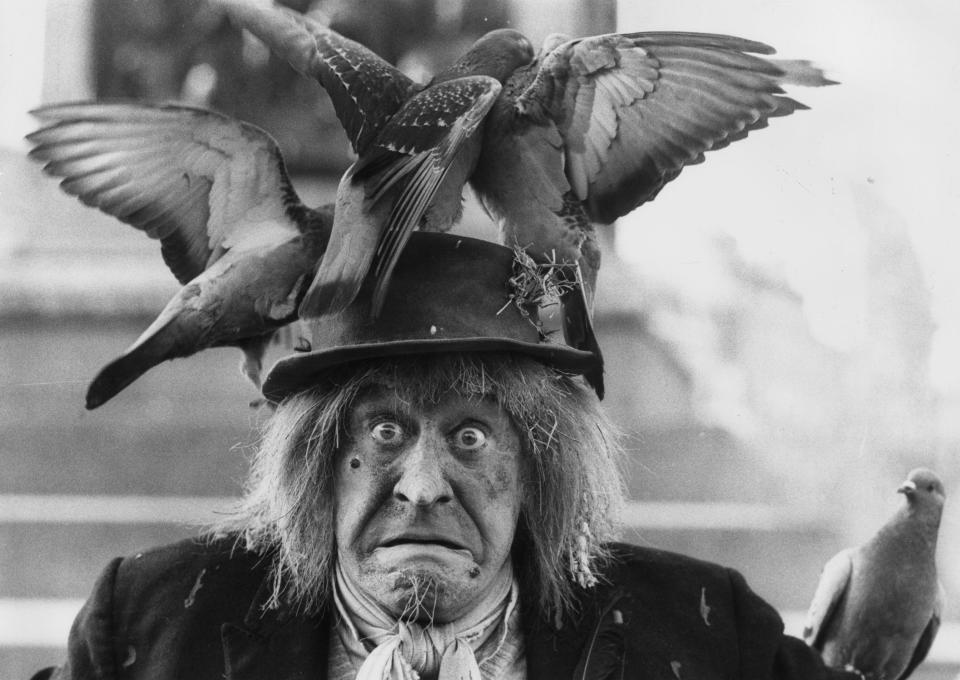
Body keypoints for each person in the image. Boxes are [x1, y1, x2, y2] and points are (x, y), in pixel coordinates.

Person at [33, 233, 857, 680]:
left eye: (470, 437)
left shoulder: (708, 633)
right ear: (315, 462)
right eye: (384, 433)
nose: (423, 487)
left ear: (540, 467)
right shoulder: (152, 625)